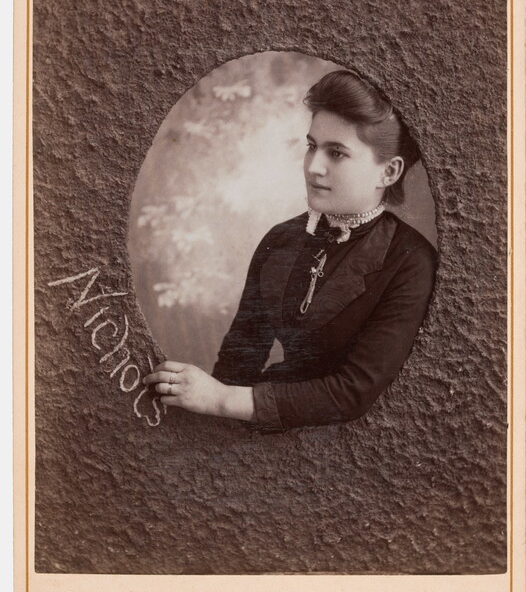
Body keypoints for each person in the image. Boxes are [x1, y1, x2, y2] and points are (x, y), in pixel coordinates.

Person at [143, 70, 437, 432]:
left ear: (388, 172)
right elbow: (240, 360)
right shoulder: (281, 240)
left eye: (337, 153)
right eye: (312, 146)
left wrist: (220, 400)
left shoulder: (409, 260)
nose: (314, 167)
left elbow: (353, 393)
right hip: (271, 432)